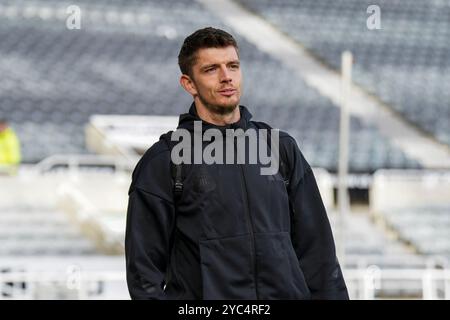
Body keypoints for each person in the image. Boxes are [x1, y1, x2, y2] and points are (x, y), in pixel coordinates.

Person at [125, 27, 348, 300]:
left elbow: (319, 254)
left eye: (233, 66)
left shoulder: (279, 148)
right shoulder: (165, 161)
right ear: (189, 84)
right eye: (211, 69)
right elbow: (143, 276)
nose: (226, 77)